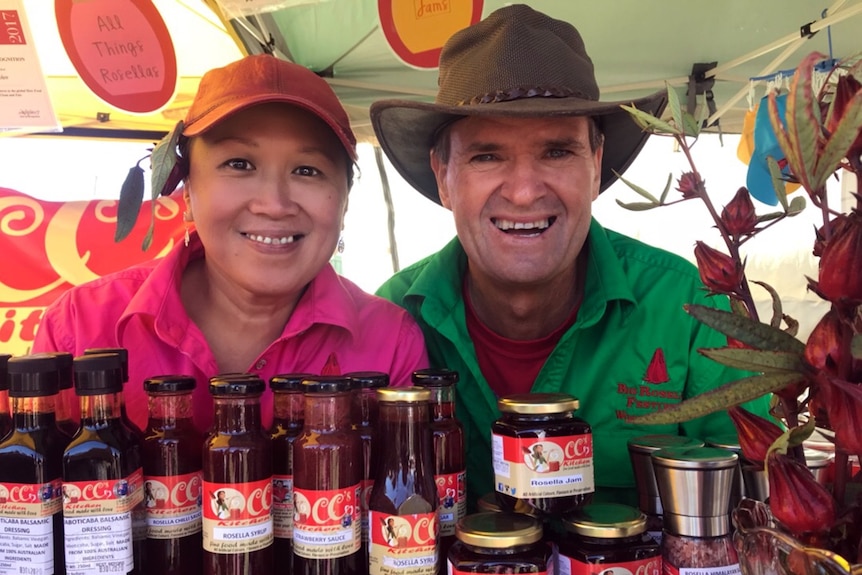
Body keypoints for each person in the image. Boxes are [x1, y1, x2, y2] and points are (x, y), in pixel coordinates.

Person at [372, 5, 771, 508]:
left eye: (557, 151)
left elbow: (760, 508)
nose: (522, 192)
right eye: (487, 156)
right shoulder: (390, 324)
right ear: (443, 176)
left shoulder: (690, 311)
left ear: (597, 164)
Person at [33, 54, 428, 432]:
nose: (274, 205)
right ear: (187, 193)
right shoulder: (79, 330)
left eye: (307, 170)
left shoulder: (390, 343)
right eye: (239, 164)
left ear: (344, 202)